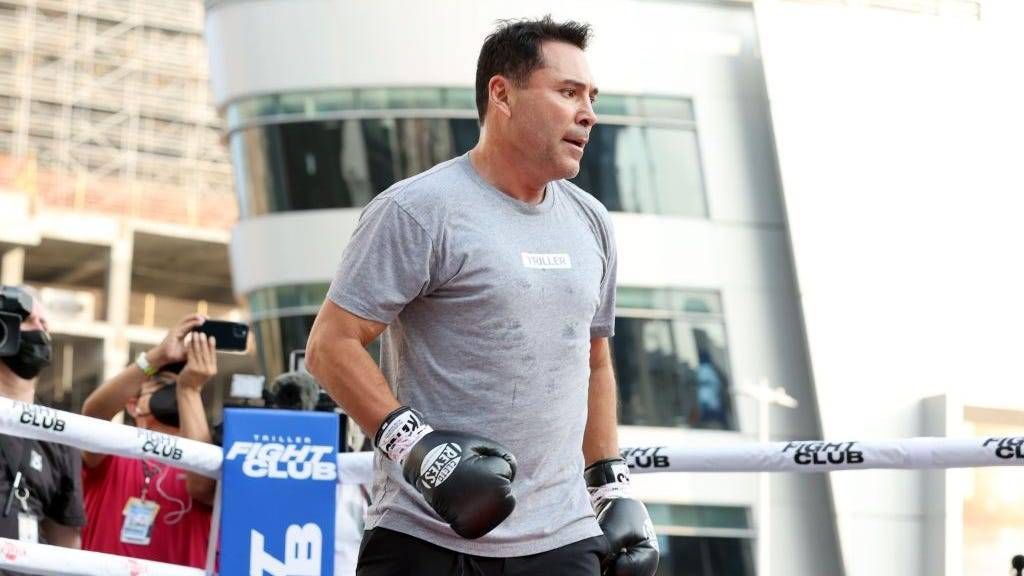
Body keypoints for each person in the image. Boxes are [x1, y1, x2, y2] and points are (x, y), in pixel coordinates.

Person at [306, 16, 658, 576]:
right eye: (568, 92)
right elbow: (330, 345)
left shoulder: (591, 222)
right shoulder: (418, 210)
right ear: (503, 94)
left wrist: (609, 485)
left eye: (591, 97)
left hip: (562, 539)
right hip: (424, 536)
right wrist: (420, 452)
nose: (588, 113)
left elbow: (594, 360)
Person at [79, 315, 216, 569]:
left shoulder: (208, 454)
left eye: (179, 386)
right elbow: (92, 417)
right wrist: (157, 357)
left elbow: (202, 485)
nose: (174, 392)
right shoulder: (113, 452)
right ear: (133, 404)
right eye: (163, 385)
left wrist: (189, 389)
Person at [0, 285, 85, 566]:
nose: (39, 329)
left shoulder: (59, 435)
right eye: (27, 320)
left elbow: (66, 541)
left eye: (45, 324)